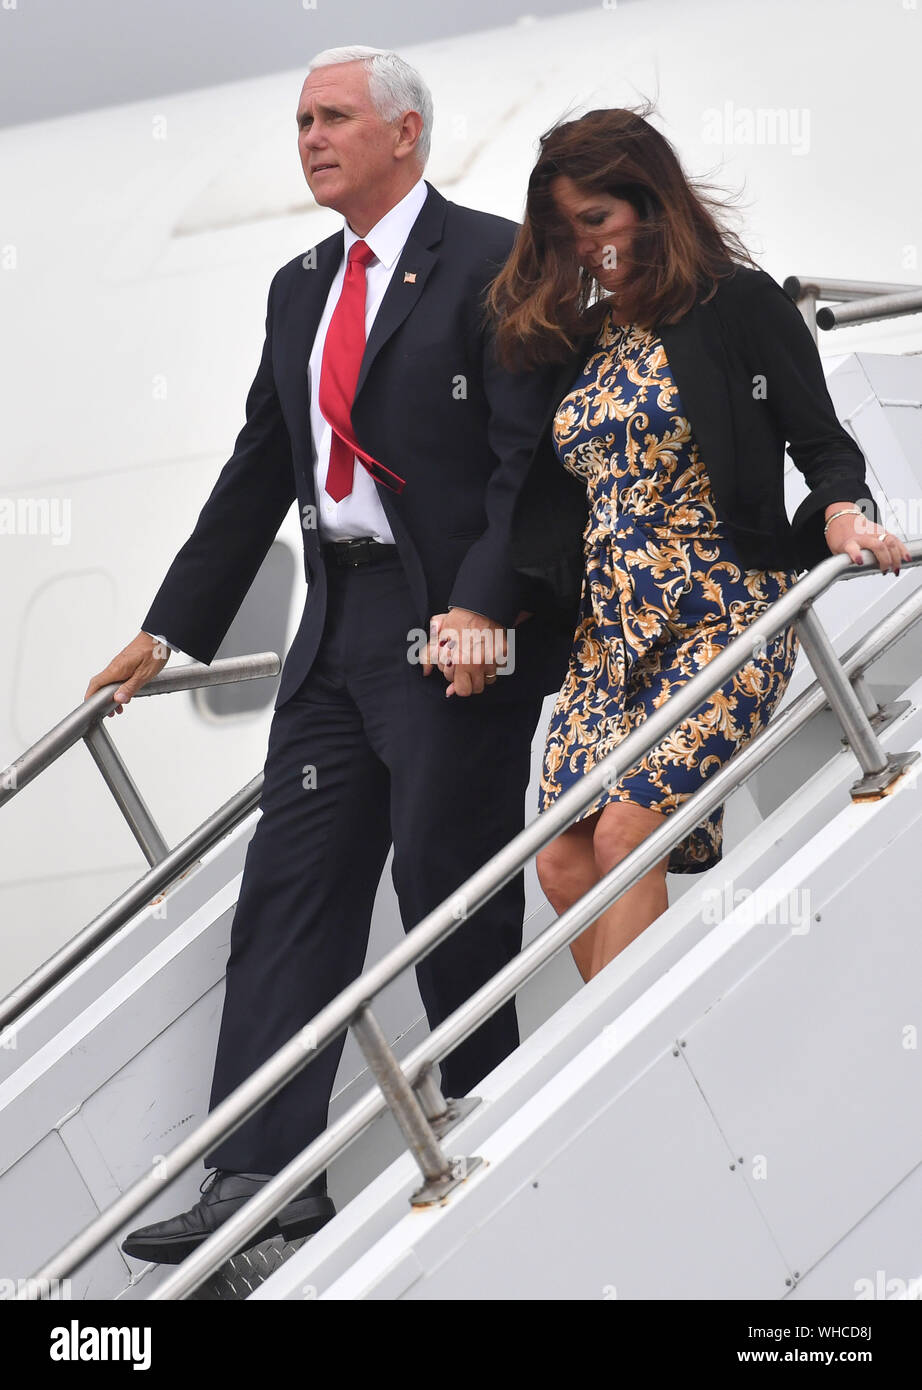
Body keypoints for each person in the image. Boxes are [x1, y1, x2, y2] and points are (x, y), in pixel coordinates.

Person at [84, 47, 572, 1264]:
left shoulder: (493, 258)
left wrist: (479, 605)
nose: (310, 137)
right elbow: (261, 465)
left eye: (334, 117)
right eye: (301, 119)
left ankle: (486, 1108)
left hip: (446, 625)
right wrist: (168, 625)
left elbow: (525, 462)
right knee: (289, 891)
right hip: (336, 628)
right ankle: (258, 1181)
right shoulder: (299, 282)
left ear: (405, 133)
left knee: (443, 879)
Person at [481, 107, 910, 984]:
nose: (588, 248)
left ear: (651, 202)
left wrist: (841, 517)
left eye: (598, 220)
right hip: (610, 641)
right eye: (568, 232)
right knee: (562, 862)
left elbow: (823, 446)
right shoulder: (586, 343)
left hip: (720, 616)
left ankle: (602, 1076)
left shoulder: (738, 304)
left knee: (628, 830)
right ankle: (623, 1048)